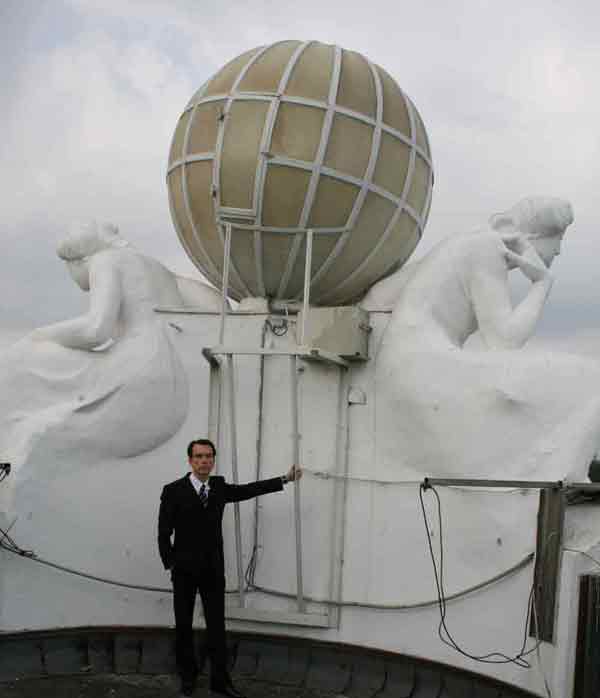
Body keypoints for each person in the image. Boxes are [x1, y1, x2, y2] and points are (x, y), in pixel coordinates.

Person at [367, 196, 600, 483]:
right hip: (422, 371)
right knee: (590, 380)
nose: (559, 251)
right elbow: (504, 342)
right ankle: (564, 478)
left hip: (407, 364)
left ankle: (557, 475)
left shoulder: (466, 241)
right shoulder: (485, 246)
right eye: (557, 241)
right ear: (534, 237)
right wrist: (542, 285)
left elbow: (379, 296)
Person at [158, 438, 302, 698]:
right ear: (190, 460)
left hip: (213, 571)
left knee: (217, 627)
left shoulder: (219, 486)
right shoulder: (173, 490)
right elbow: (163, 533)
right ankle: (187, 677)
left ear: (213, 460)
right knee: (183, 626)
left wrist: (285, 479)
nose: (204, 461)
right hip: (184, 573)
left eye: (209, 456)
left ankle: (220, 681)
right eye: (199, 456)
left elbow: (248, 490)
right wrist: (172, 564)